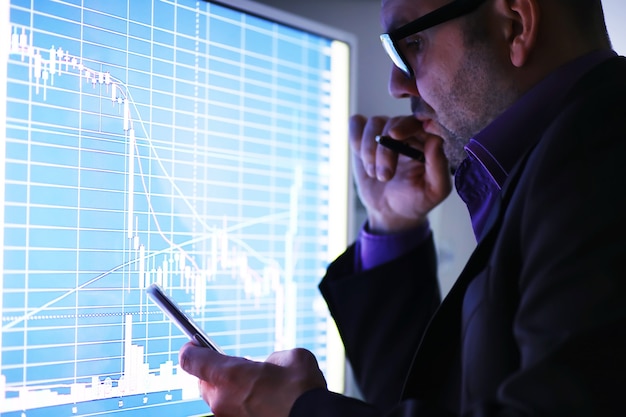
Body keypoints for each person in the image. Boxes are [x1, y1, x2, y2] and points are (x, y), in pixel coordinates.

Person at [179, 0, 626, 415]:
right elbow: (448, 403)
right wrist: (393, 224)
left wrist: (302, 410)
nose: (396, 85)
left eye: (411, 43)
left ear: (515, 24)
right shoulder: (570, 154)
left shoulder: (601, 157)